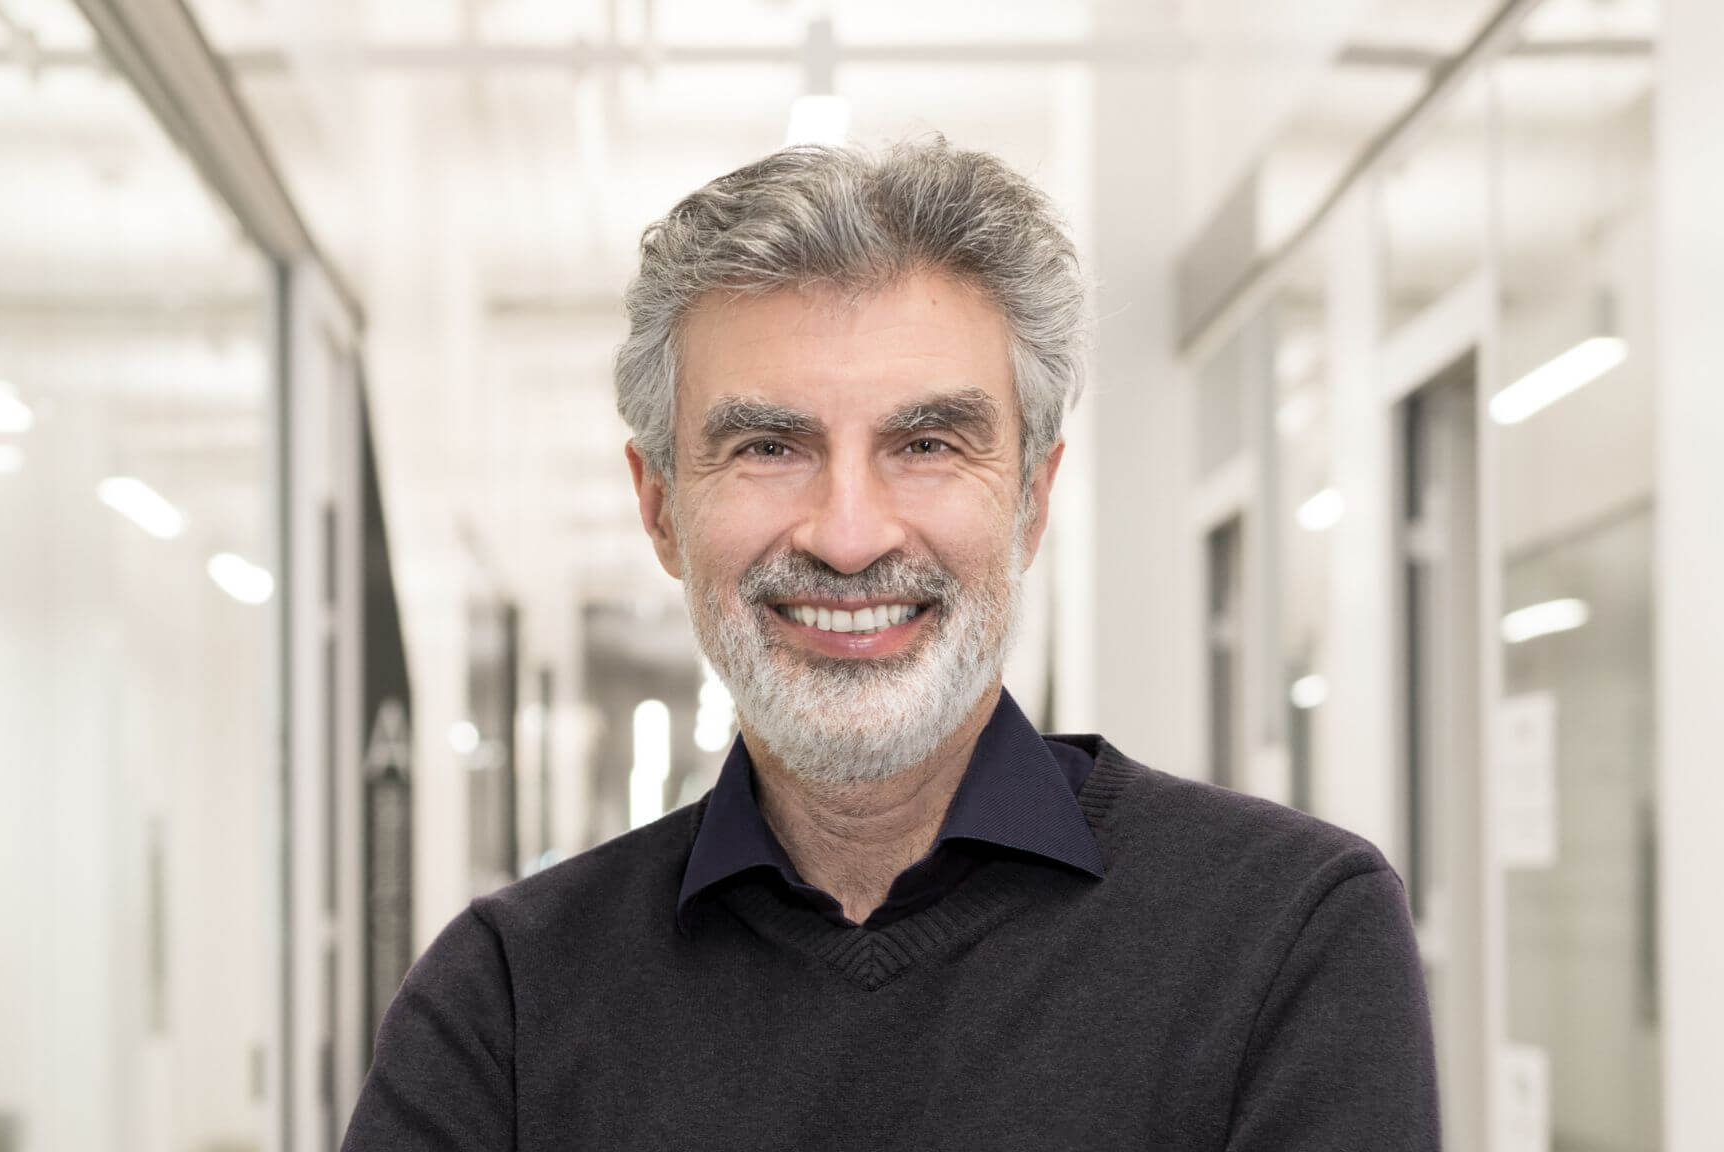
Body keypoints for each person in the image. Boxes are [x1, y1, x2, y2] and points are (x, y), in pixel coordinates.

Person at [342, 138, 1439, 1151]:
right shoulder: (510, 1000)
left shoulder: (1286, 940)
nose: (852, 536)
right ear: (662, 508)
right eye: (770, 445)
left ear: (1031, 499)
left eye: (926, 443)